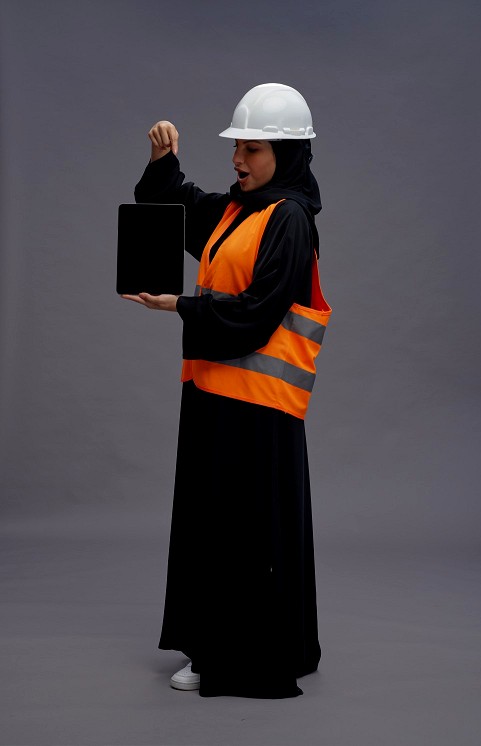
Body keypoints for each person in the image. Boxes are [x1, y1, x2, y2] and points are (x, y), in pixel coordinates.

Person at [121, 83, 332, 698]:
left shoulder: (288, 219)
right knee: (213, 530)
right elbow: (174, 205)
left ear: (286, 155)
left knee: (245, 535)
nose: (238, 159)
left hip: (258, 412)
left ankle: (241, 659)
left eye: (252, 149)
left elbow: (258, 314)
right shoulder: (239, 209)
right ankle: (232, 645)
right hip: (214, 396)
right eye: (236, 146)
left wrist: (179, 305)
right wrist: (163, 160)